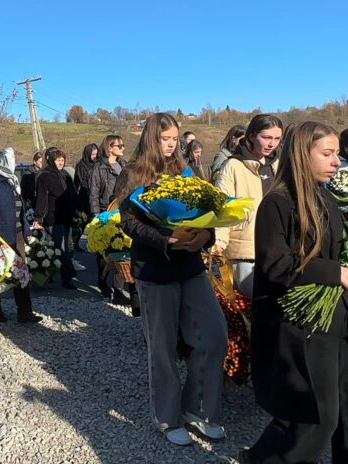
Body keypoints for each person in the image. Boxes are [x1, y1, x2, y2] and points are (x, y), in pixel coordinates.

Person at [243, 121, 348, 463]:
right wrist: (334, 272)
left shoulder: (326, 197)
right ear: (300, 155)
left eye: (337, 154)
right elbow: (275, 264)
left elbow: (343, 259)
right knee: (313, 420)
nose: (337, 161)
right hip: (302, 328)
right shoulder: (277, 204)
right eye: (327, 154)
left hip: (341, 323)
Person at [117, 113, 226, 447]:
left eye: (175, 138)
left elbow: (207, 211)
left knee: (214, 335)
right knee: (162, 348)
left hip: (191, 266)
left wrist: (205, 235)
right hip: (154, 270)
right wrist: (166, 240)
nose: (172, 144)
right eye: (165, 138)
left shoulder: (186, 171)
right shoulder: (133, 173)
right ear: (152, 137)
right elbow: (128, 222)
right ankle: (167, 416)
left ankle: (199, 408)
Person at [213, 114, 284, 297]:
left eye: (277, 138)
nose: (272, 144)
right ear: (252, 136)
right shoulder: (233, 166)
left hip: (278, 246)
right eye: (267, 137)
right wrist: (219, 242)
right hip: (246, 248)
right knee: (250, 303)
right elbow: (224, 207)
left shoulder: (280, 164)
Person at [0, 148, 42, 324]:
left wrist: (26, 231)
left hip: (17, 233)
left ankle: (25, 312)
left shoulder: (11, 181)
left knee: (21, 272)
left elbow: (20, 210)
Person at [89, 135, 128, 300]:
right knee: (106, 253)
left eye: (123, 145)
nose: (122, 148)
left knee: (124, 250)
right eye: (119, 145)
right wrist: (96, 215)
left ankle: (118, 288)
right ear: (109, 147)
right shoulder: (98, 167)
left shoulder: (124, 165)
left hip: (124, 211)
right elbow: (93, 192)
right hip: (106, 211)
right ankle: (102, 281)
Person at [32, 147, 77, 290]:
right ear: (51, 160)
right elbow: (42, 198)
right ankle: (67, 278)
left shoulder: (64, 174)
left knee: (62, 248)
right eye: (58, 160)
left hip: (67, 217)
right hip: (53, 217)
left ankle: (49, 276)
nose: (61, 163)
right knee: (59, 248)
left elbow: (73, 194)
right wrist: (39, 217)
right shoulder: (45, 175)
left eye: (62, 160)